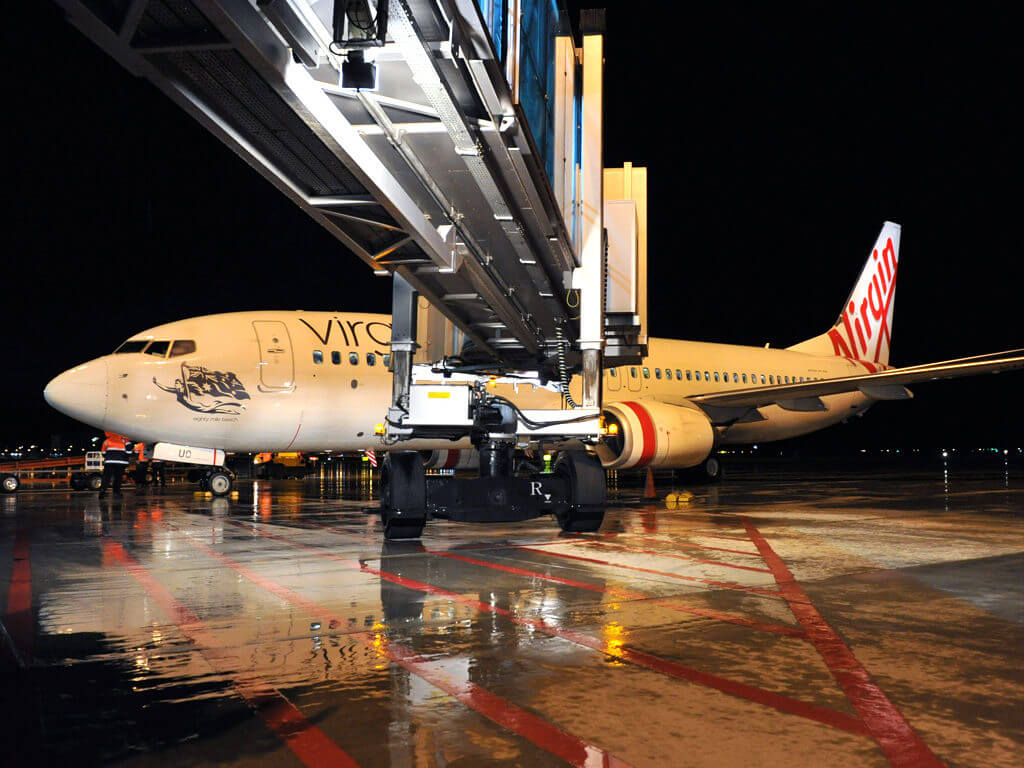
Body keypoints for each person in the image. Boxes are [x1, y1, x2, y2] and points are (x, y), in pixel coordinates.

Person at [98, 432, 130, 498]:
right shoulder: (125, 440)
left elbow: (103, 453)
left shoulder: (106, 441)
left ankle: (102, 491)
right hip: (121, 463)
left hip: (109, 462)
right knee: (118, 478)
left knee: (106, 478)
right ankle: (116, 493)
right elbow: (129, 452)